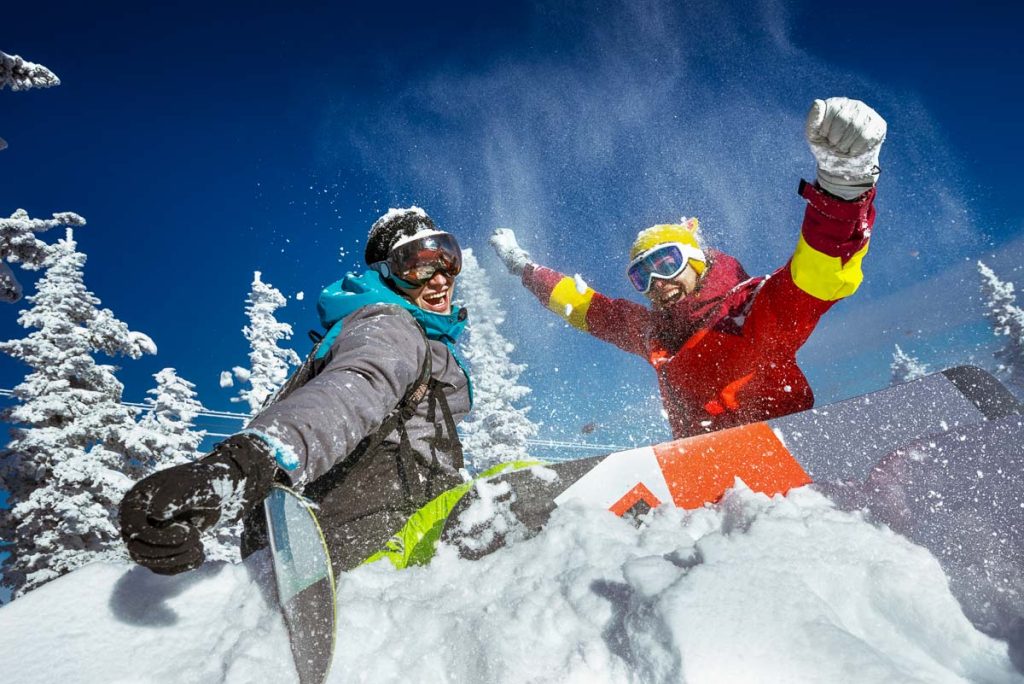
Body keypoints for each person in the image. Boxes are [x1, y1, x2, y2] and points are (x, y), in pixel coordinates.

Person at [490, 97, 887, 439]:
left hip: (788, 460)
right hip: (710, 483)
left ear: (696, 260)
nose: (657, 283)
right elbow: (585, 308)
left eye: (667, 263)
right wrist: (522, 267)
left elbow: (814, 278)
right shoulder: (654, 334)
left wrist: (842, 190)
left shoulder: (748, 309)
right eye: (641, 276)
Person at [119, 207, 472, 575]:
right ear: (386, 273)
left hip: (338, 530)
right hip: (375, 529)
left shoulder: (387, 336)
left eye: (448, 261)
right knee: (525, 493)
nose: (440, 279)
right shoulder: (391, 326)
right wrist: (247, 463)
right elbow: (351, 392)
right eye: (419, 265)